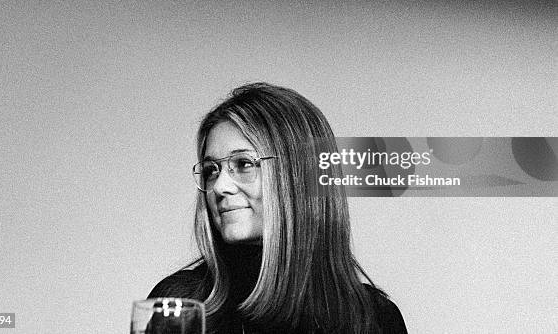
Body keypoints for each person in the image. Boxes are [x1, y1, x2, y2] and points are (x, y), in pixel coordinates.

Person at [148, 83, 407, 333]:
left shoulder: (373, 320)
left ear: (296, 175)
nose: (219, 186)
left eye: (243, 164)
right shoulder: (180, 305)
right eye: (210, 170)